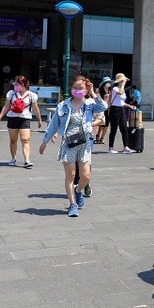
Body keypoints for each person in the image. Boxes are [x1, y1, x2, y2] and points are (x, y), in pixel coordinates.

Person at [39, 74, 106, 217]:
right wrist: (44, 142)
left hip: (85, 143)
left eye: (81, 88)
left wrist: (93, 92)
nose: (78, 90)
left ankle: (78, 191)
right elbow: (53, 124)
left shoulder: (90, 104)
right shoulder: (63, 106)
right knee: (71, 175)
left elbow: (103, 107)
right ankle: (72, 204)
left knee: (85, 176)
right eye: (75, 88)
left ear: (86, 89)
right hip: (68, 143)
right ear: (71, 88)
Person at [0, 75, 42, 168]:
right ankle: (13, 158)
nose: (16, 86)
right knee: (13, 140)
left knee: (25, 139)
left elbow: (35, 108)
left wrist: (39, 119)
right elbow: (6, 106)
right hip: (12, 118)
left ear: (24, 84)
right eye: (15, 84)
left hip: (25, 118)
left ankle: (27, 160)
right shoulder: (11, 93)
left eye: (18, 84)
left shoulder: (31, 95)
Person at [107, 73, 134, 154]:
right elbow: (120, 93)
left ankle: (126, 146)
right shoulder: (115, 88)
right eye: (122, 80)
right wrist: (123, 84)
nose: (124, 82)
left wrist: (129, 105)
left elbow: (121, 102)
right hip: (114, 109)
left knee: (124, 128)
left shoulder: (122, 89)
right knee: (114, 129)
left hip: (121, 109)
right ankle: (110, 147)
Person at [95, 77, 113, 144]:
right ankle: (98, 135)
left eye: (109, 82)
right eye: (107, 82)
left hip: (108, 109)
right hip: (101, 108)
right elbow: (95, 98)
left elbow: (111, 99)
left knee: (107, 124)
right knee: (102, 123)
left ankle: (102, 138)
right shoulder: (99, 90)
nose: (108, 83)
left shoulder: (110, 90)